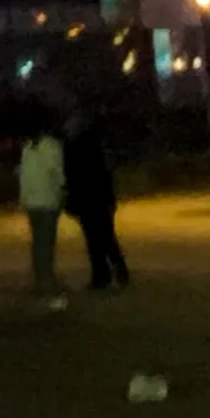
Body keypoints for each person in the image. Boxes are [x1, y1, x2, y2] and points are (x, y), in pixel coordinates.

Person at [66, 118, 130, 290]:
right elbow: (106, 177)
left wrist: (71, 202)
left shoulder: (73, 150)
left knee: (94, 241)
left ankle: (101, 276)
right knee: (107, 238)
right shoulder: (98, 150)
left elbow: (72, 178)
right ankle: (119, 270)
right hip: (100, 200)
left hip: (86, 200)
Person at [17, 122, 69, 291]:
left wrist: (23, 199)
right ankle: (46, 279)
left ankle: (42, 279)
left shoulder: (30, 148)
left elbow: (25, 177)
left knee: (39, 243)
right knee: (45, 243)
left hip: (37, 202)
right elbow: (57, 173)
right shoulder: (49, 146)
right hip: (46, 201)